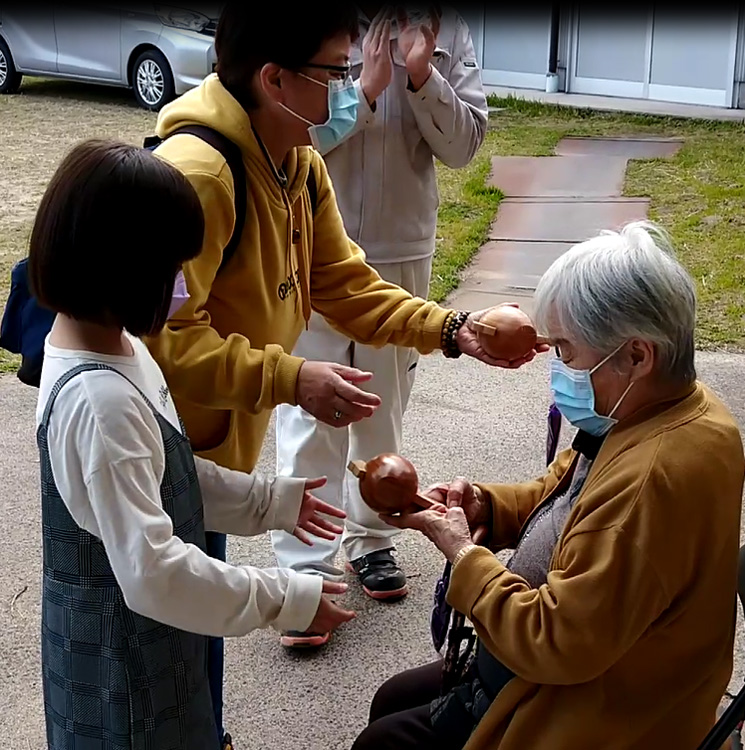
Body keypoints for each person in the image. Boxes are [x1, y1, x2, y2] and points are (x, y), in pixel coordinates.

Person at [142, 5, 538, 745]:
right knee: (159, 650)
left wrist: (455, 330)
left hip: (213, 453)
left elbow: (347, 286)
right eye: (334, 75)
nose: (349, 91)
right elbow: (162, 343)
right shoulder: (199, 176)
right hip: (165, 453)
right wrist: (292, 380)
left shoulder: (296, 160)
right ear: (275, 80)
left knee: (189, 658)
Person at [351, 221, 745, 750]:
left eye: (565, 350)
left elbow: (556, 642)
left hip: (599, 702)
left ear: (637, 355)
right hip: (581, 654)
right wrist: (485, 505)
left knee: (386, 740)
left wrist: (464, 556)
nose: (558, 369)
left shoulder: (651, 477)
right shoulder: (655, 410)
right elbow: (558, 494)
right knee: (394, 700)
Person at [30, 139, 354, 750]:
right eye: (171, 267)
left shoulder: (116, 347)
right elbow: (154, 573)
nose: (182, 285)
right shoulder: (101, 404)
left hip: (155, 651)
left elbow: (165, 470)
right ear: (123, 265)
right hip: (124, 679)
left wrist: (268, 502)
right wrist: (284, 596)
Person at [271, 3, 488, 638]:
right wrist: (364, 93)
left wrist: (424, 76)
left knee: (381, 407)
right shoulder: (317, 24)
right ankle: (306, 569)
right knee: (310, 405)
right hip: (310, 246)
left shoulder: (445, 28)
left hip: (400, 249)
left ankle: (369, 538)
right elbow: (285, 131)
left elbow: (464, 146)